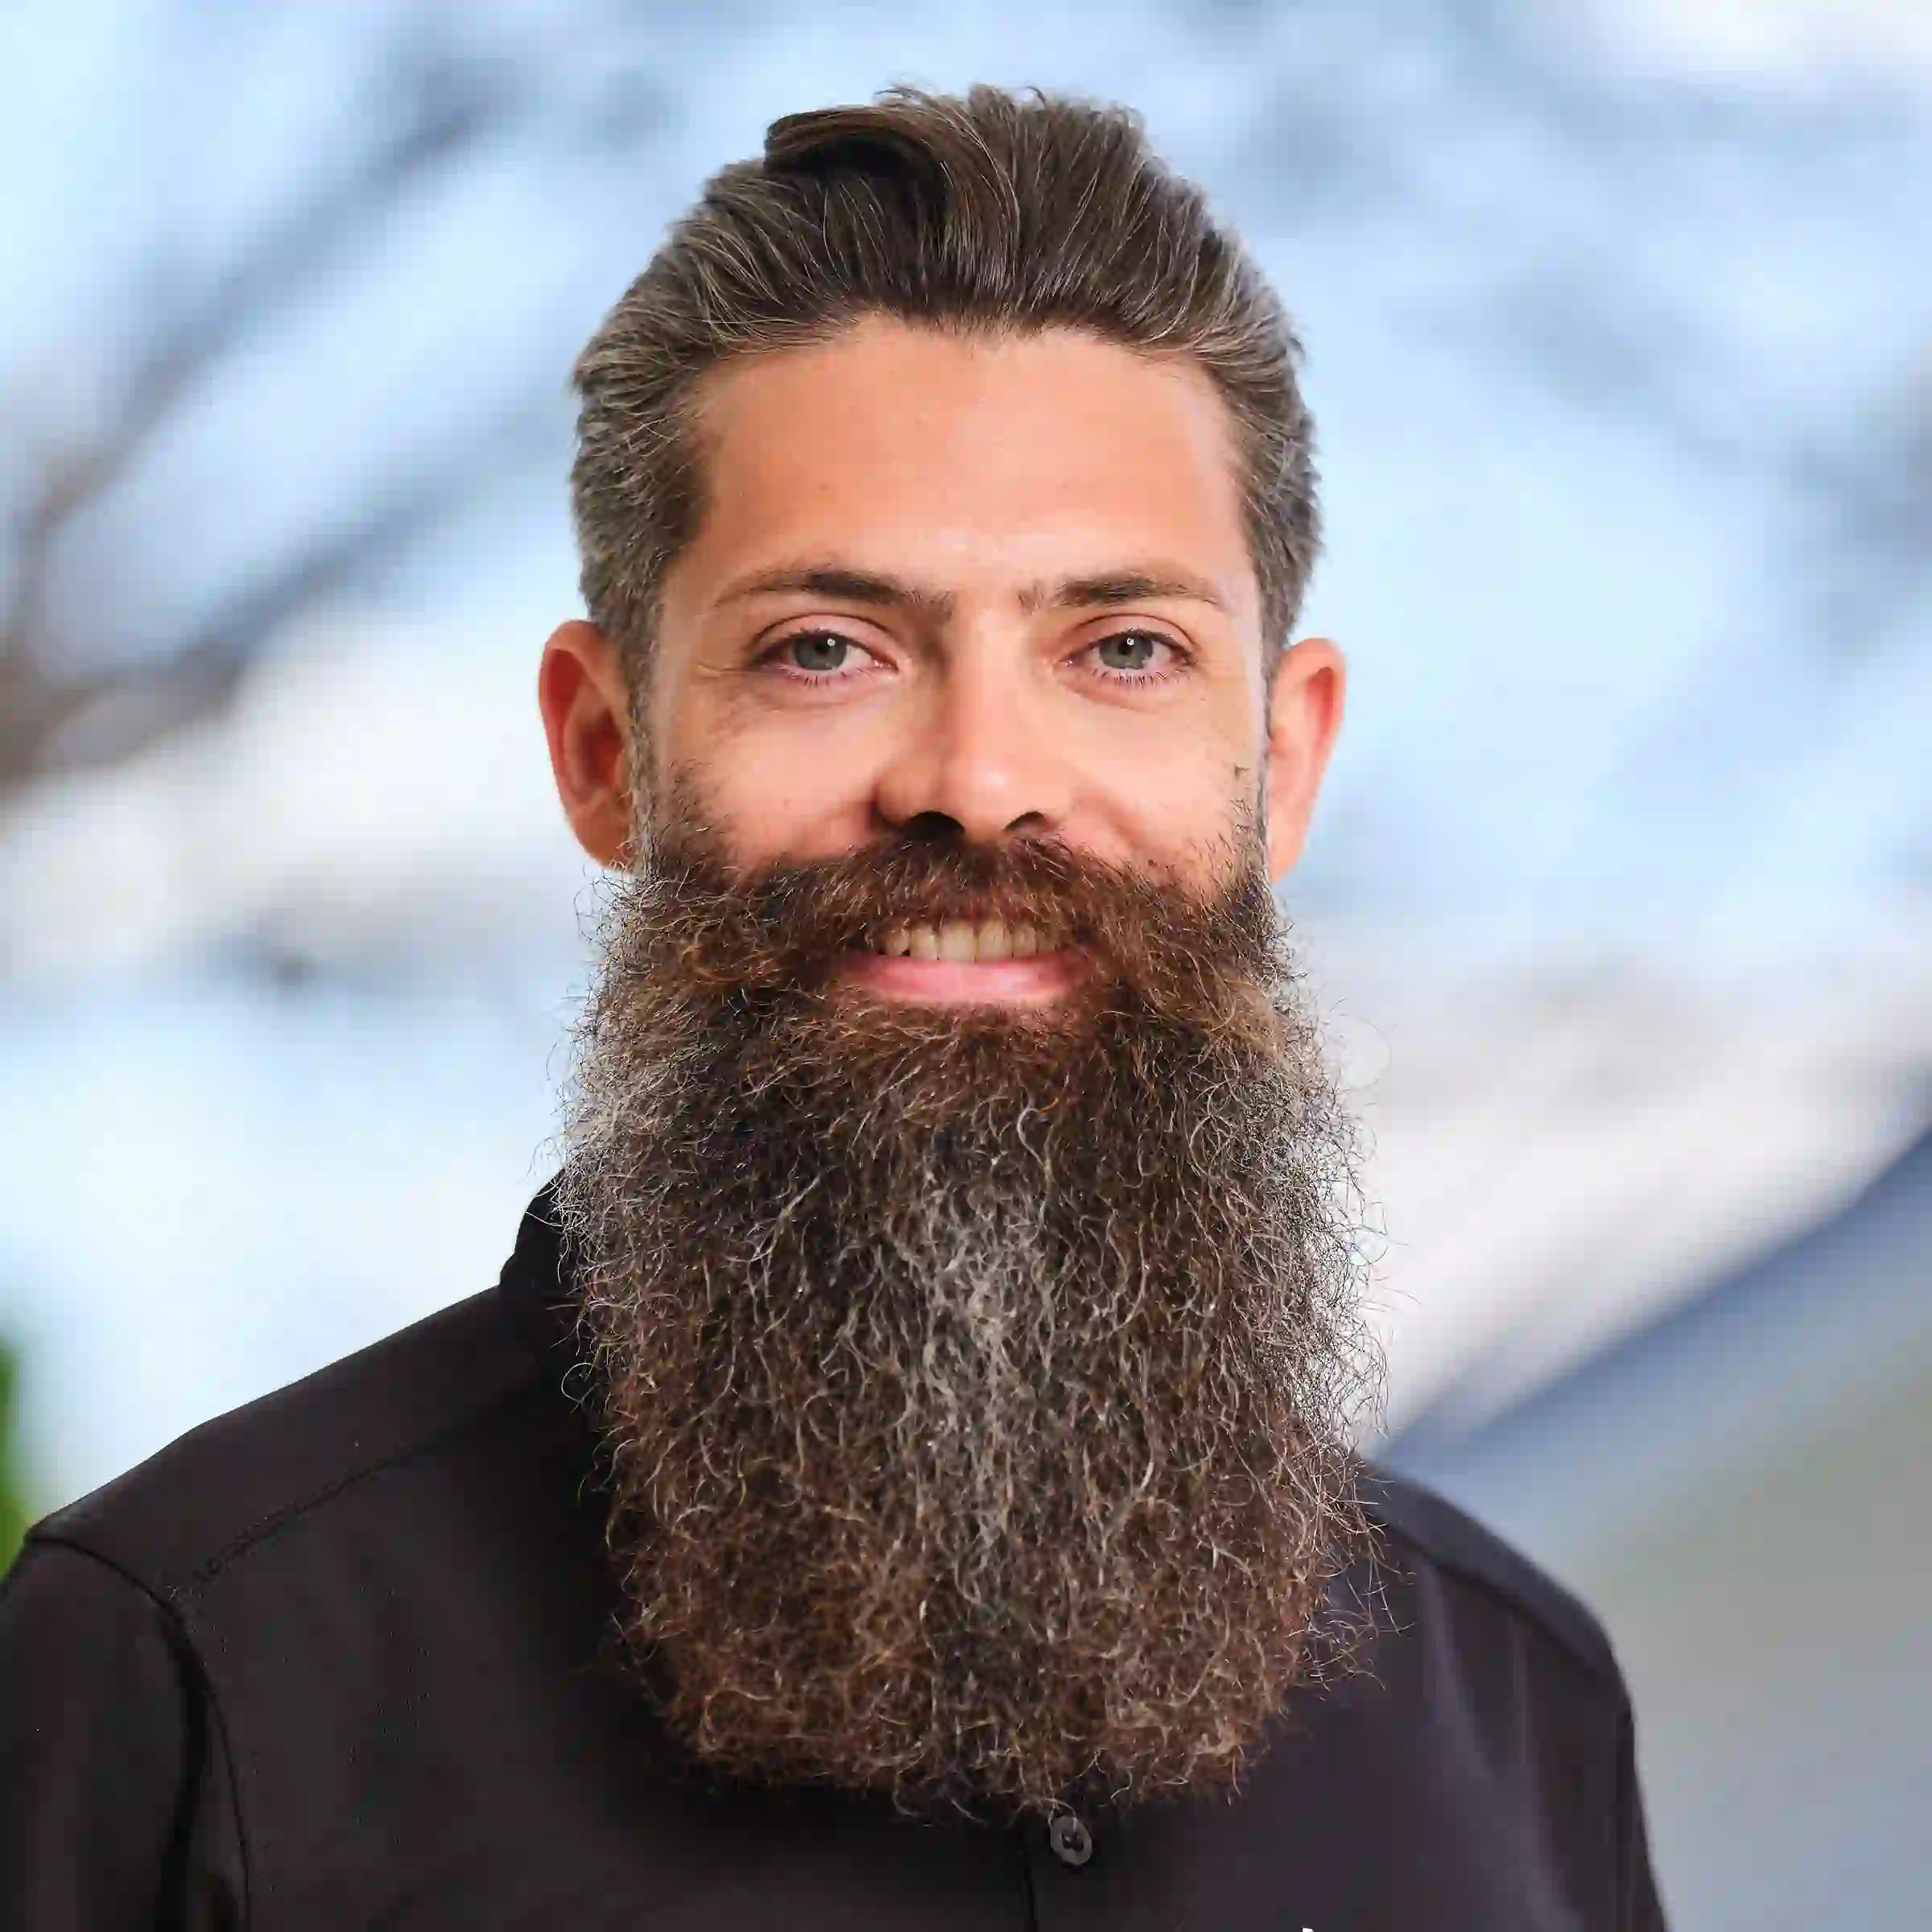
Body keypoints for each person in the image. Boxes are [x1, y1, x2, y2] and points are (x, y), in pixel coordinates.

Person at [0, 85, 1670, 1929]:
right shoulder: (190, 1675)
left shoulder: (1522, 1718)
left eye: (1123, 649)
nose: (979, 780)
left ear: (1283, 762)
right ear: (606, 749)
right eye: (826, 650)